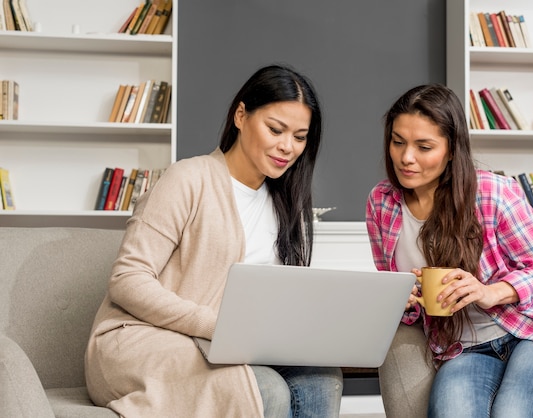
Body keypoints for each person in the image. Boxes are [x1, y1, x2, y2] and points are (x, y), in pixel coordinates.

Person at [85, 64, 343, 417]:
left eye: (300, 137)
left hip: (233, 345)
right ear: (241, 115)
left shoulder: (286, 204)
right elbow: (127, 280)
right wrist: (213, 325)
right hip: (146, 339)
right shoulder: (187, 179)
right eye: (275, 129)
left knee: (322, 379)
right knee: (263, 389)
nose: (288, 147)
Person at [366, 83, 533, 417]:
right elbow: (403, 302)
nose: (406, 157)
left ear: (451, 150)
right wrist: (403, 300)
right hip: (464, 350)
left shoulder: (492, 192)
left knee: (511, 413)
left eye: (424, 146)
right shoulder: (381, 204)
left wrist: (491, 292)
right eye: (397, 142)